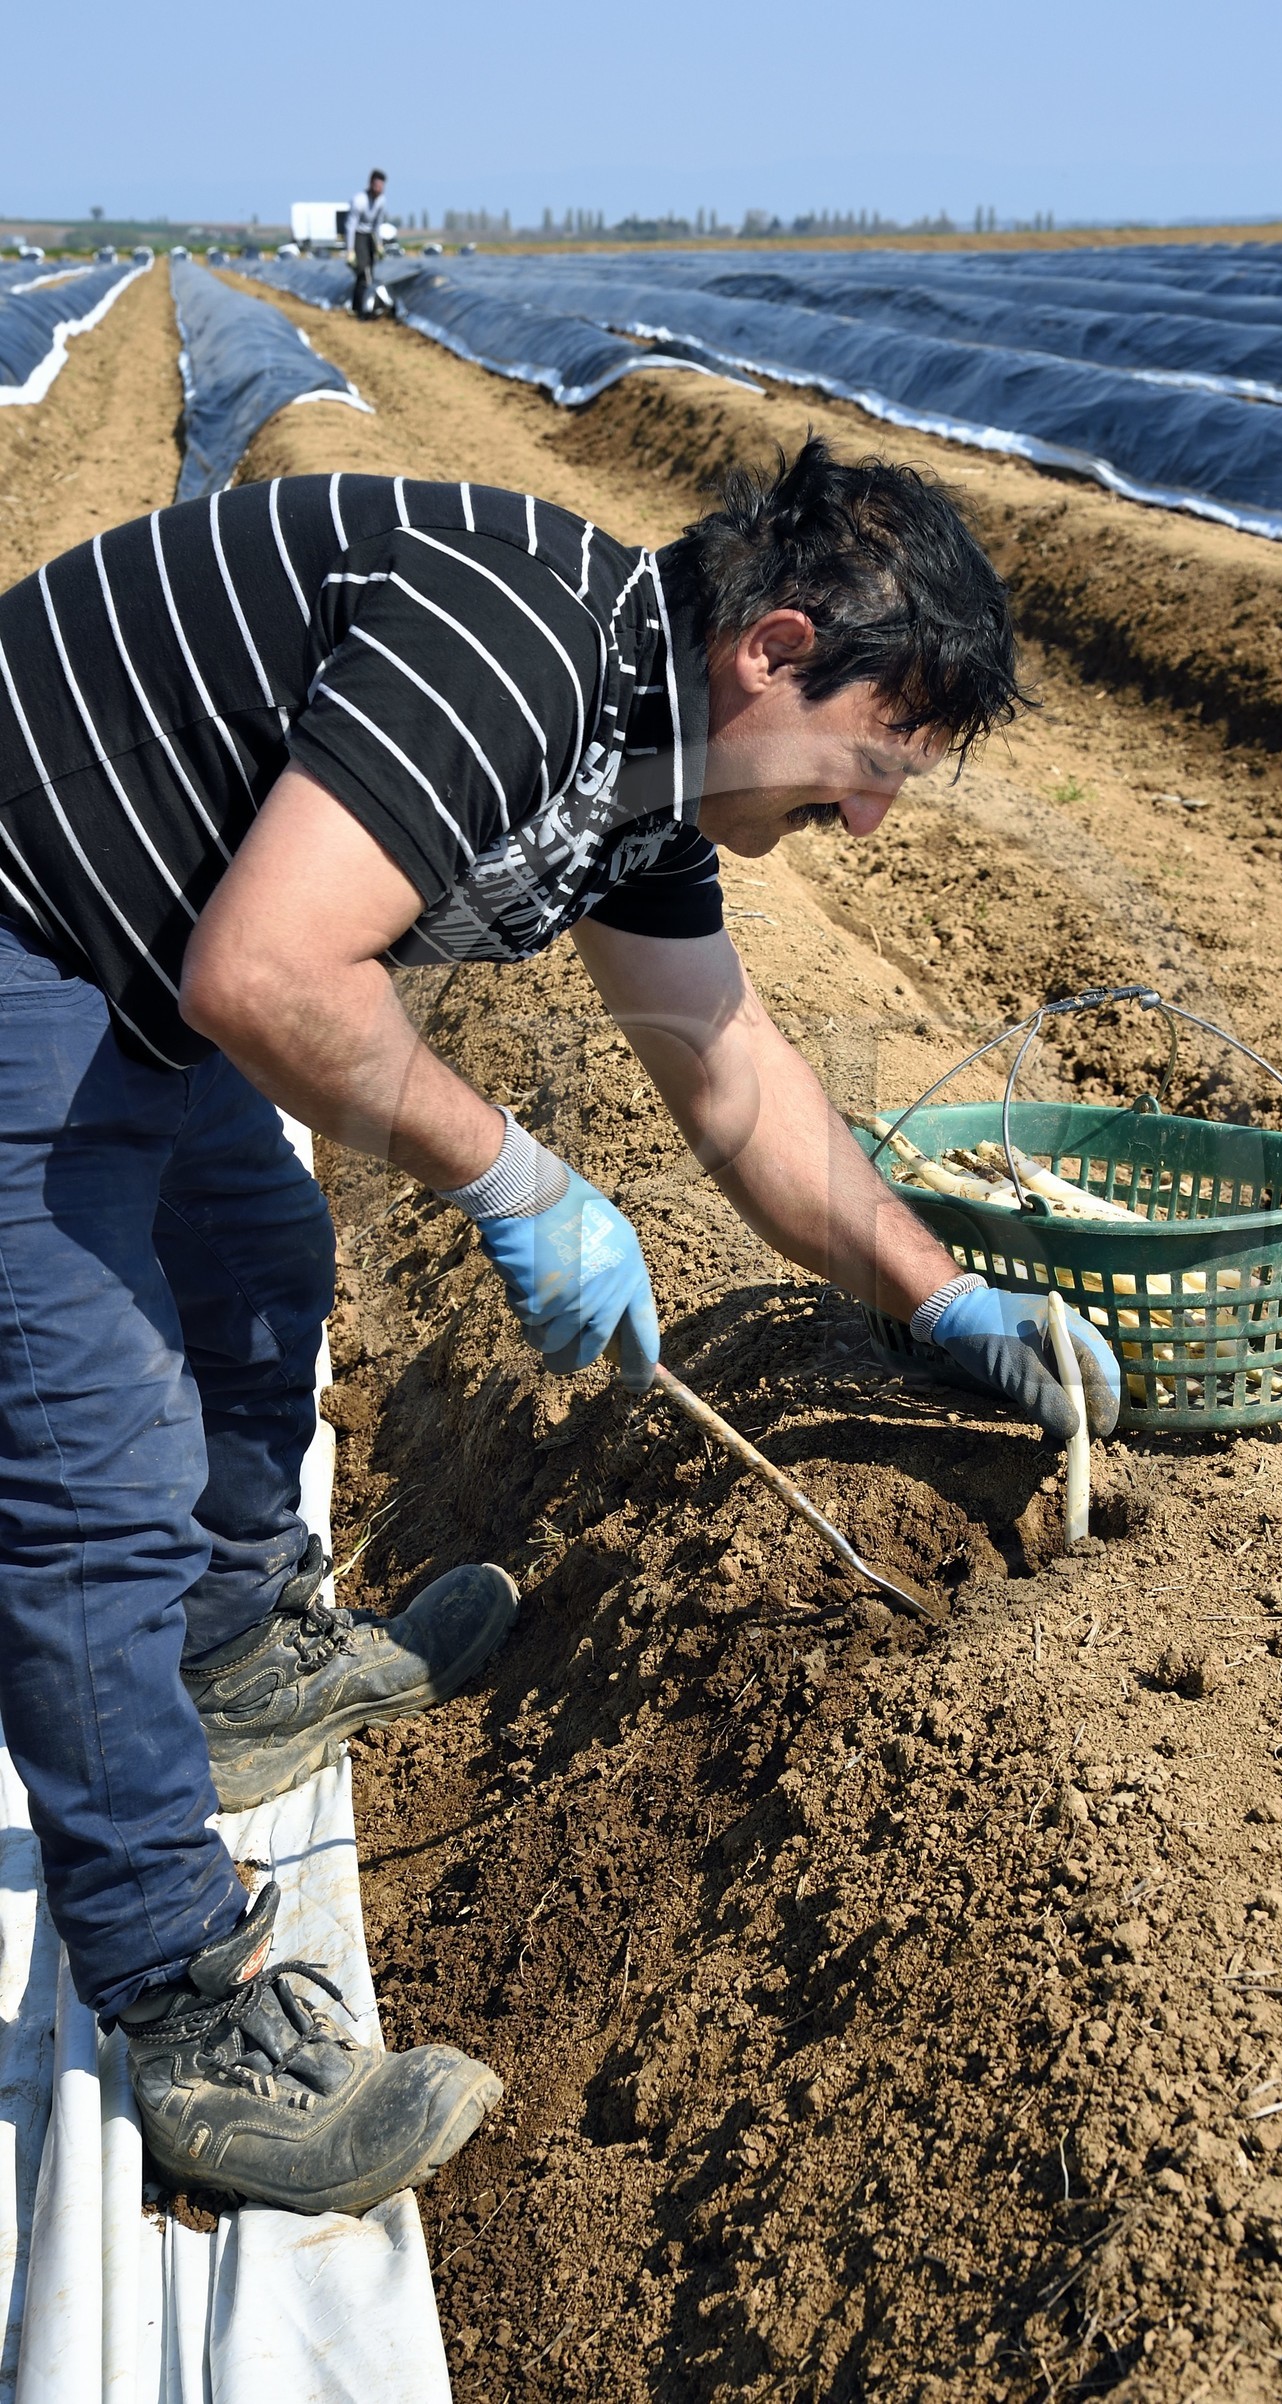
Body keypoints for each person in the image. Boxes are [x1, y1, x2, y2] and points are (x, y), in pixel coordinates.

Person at [0, 439, 1120, 2217]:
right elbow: (268, 975)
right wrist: (515, 1178)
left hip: (131, 936)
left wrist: (945, 1295)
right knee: (90, 1449)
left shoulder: (647, 774)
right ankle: (177, 2003)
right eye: (868, 760)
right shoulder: (515, 649)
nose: (869, 818)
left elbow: (732, 1073)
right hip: (31, 912)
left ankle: (228, 1666)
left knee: (261, 1257)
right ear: (770, 648)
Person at [345, 167, 388, 317]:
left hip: (370, 235)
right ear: (370, 184)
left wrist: (379, 244)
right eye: (376, 185)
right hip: (357, 235)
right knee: (363, 272)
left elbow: (377, 224)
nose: (379, 189)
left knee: (370, 270)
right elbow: (350, 226)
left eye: (381, 186)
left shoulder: (381, 201)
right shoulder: (359, 201)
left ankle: (360, 306)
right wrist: (350, 250)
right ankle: (360, 309)